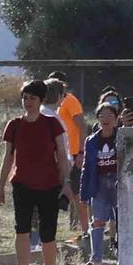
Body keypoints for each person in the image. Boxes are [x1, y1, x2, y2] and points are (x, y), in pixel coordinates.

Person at [0, 80, 76, 265]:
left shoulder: (52, 124)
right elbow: (7, 157)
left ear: (40, 100)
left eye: (32, 98)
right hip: (21, 184)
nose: (27, 101)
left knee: (48, 233)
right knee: (21, 230)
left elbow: (62, 154)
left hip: (49, 185)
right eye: (25, 97)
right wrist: (0, 186)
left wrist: (66, 183)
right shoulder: (14, 125)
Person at [79, 102, 121, 265]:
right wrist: (84, 193)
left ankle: (122, 261)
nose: (106, 119)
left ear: (116, 120)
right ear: (97, 120)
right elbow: (86, 168)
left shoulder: (122, 137)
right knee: (97, 222)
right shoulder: (91, 141)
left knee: (121, 224)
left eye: (110, 116)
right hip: (99, 184)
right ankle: (96, 261)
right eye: (102, 116)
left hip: (119, 183)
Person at [46, 75, 87, 234]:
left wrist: (81, 152)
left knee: (77, 194)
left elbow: (82, 126)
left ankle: (85, 231)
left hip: (74, 154)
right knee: (67, 193)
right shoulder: (49, 109)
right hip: (61, 155)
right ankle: (74, 228)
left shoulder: (69, 100)